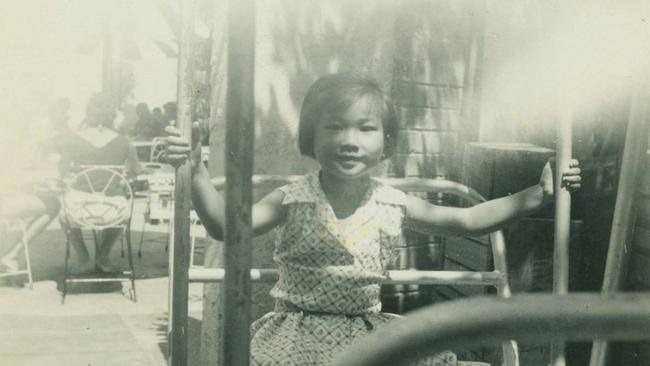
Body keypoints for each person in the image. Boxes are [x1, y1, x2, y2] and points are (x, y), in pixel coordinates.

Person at [162, 73, 582, 366]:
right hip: (296, 333)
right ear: (311, 137)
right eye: (334, 128)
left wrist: (537, 195)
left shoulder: (392, 203)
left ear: (384, 144)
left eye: (365, 129)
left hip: (365, 330)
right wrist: (196, 170)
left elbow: (469, 220)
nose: (348, 141)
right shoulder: (292, 198)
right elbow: (224, 226)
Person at [59, 92, 143, 273]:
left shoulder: (73, 139)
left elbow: (62, 172)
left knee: (63, 213)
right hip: (112, 211)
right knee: (124, 206)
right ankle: (103, 256)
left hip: (79, 209)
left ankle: (83, 257)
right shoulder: (124, 141)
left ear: (88, 112)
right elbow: (136, 171)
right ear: (112, 115)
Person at [0, 97, 70, 275]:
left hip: (8, 197)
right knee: (53, 205)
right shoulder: (28, 147)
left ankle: (10, 252)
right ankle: (11, 254)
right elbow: (17, 177)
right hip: (6, 200)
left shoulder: (16, 140)